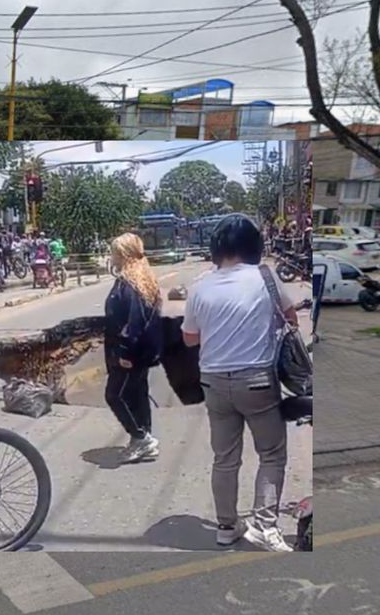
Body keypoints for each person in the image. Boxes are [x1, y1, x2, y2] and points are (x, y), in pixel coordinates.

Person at [182, 213, 299, 552]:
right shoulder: (265, 276)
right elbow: (290, 319)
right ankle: (264, 526)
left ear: (217, 247)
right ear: (254, 245)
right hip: (257, 382)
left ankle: (226, 526)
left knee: (225, 458)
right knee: (272, 454)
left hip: (214, 383)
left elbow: (190, 339)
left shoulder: (201, 285)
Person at [104, 233, 164, 464]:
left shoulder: (129, 285)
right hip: (142, 352)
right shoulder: (142, 280)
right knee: (137, 394)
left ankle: (141, 438)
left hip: (129, 352)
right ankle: (144, 439)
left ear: (123, 255)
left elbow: (134, 322)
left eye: (114, 253)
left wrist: (124, 353)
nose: (112, 257)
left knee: (114, 395)